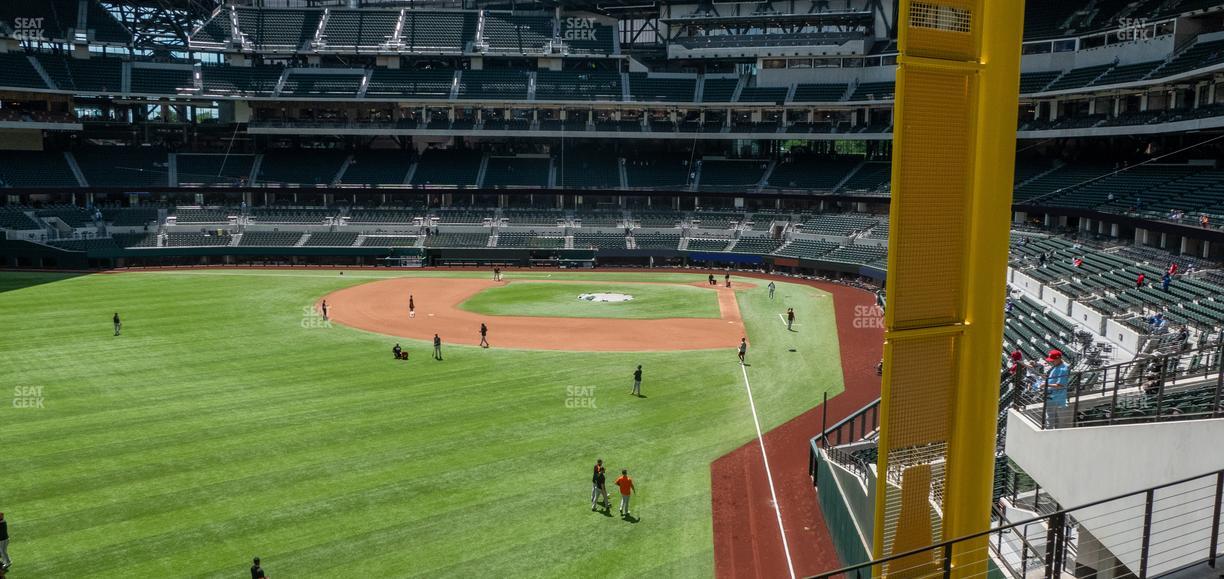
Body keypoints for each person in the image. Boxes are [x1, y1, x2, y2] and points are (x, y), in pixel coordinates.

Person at [1043, 350, 1070, 428]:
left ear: (1058, 359)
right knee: (1051, 419)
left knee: (1050, 420)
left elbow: (1060, 385)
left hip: (1055, 398)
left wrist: (1046, 384)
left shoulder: (1063, 369)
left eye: (1053, 360)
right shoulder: (1057, 366)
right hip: (1052, 396)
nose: (1051, 362)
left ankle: (1049, 436)